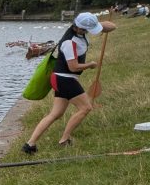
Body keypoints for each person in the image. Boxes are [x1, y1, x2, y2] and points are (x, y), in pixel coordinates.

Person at [22, 12, 116, 153]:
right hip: (64, 79)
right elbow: (73, 66)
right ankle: (64, 139)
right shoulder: (69, 42)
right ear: (78, 28)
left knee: (55, 114)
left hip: (62, 78)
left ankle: (30, 145)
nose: (88, 32)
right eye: (86, 30)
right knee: (86, 108)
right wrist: (90, 64)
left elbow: (112, 26)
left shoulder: (80, 31)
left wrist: (99, 25)